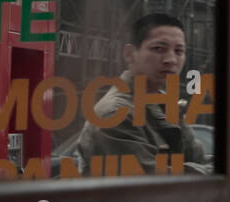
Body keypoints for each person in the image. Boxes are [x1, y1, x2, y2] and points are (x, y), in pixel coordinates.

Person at [72, 13, 212, 175]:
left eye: (179, 50)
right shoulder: (116, 113)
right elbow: (157, 184)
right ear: (130, 54)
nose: (171, 59)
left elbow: (198, 158)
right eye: (159, 49)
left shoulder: (164, 105)